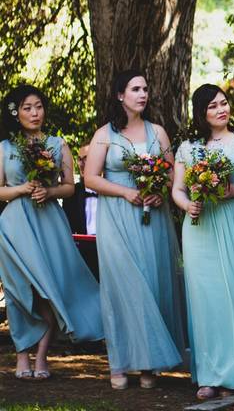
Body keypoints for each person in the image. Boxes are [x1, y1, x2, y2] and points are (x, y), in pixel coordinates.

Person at [84, 69, 187, 390]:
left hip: (152, 218)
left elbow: (174, 176)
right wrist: (126, 191)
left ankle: (148, 364)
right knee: (123, 287)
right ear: (120, 95)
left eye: (145, 88)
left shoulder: (159, 133)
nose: (142, 94)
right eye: (135, 89)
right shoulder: (105, 134)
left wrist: (160, 190)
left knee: (152, 285)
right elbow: (90, 177)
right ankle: (120, 361)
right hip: (116, 217)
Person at [171, 84, 234, 400]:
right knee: (207, 299)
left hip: (233, 220)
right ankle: (209, 373)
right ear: (202, 113)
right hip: (200, 226)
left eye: (224, 103)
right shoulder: (189, 148)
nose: (221, 109)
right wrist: (187, 205)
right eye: (213, 106)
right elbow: (177, 189)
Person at [0, 85, 103, 381]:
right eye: (27, 108)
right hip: (14, 225)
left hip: (49, 222)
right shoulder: (5, 148)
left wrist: (49, 190)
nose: (34, 113)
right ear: (15, 113)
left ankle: (43, 354)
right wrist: (21, 189)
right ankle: (22, 354)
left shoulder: (58, 145)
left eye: (38, 106)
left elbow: (70, 186)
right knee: (20, 290)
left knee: (50, 289)